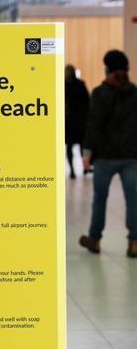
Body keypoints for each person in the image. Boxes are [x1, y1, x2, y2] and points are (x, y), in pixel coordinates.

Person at [79, 50, 137, 258]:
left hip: (105, 156)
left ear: (107, 69)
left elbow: (93, 125)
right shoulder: (135, 93)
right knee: (134, 200)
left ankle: (94, 239)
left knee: (100, 198)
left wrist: (87, 153)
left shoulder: (99, 93)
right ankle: (134, 242)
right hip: (132, 156)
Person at [65, 64, 89, 179]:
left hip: (72, 120)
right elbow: (87, 102)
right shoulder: (79, 85)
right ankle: (80, 169)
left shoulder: (65, 85)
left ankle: (76, 170)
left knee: (73, 146)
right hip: (76, 120)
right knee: (79, 146)